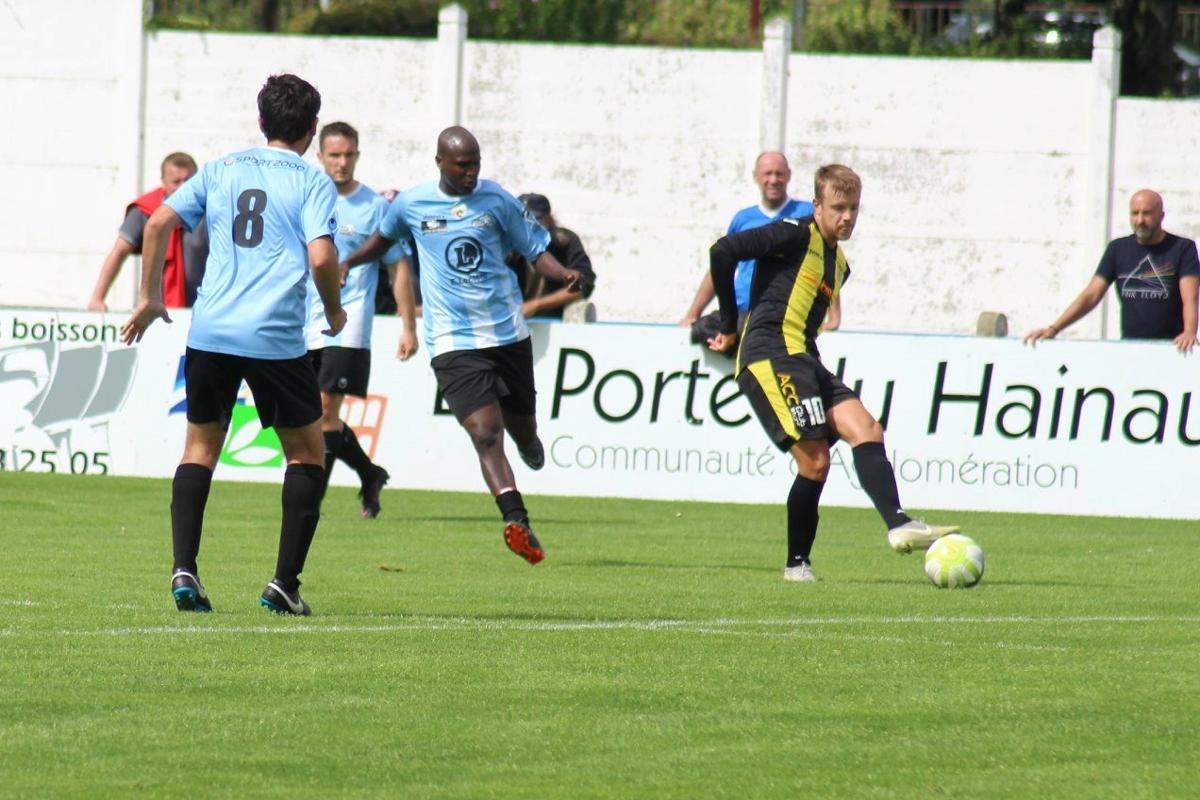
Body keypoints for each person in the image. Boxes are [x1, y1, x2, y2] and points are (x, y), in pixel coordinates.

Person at [120, 74, 345, 616]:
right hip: (273, 337)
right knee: (307, 454)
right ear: (312, 129)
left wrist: (151, 297)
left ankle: (184, 570)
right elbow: (320, 258)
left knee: (199, 450)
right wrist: (335, 310)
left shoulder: (221, 168)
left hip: (212, 331)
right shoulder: (313, 182)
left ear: (261, 121)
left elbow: (157, 225)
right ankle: (284, 585)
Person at [341, 126, 590, 565]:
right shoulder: (412, 204)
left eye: (476, 163)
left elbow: (537, 250)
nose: (472, 172)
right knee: (484, 432)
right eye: (462, 165)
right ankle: (517, 521)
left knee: (524, 434)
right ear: (440, 161)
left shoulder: (497, 200)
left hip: (507, 335)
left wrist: (562, 274)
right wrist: (348, 260)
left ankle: (530, 445)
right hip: (453, 342)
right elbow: (382, 240)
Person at [708, 164, 958, 583]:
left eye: (854, 209)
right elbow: (722, 251)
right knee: (816, 461)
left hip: (805, 357)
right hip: (770, 355)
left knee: (867, 429)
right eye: (838, 208)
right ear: (817, 206)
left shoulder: (838, 264)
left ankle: (899, 523)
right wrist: (729, 324)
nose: (847, 217)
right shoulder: (792, 233)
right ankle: (796, 565)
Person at [307, 121, 418, 518]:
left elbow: (397, 268)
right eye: (334, 155)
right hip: (303, 320)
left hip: (349, 322)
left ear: (357, 155)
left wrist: (408, 326)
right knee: (309, 414)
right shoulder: (305, 195)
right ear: (319, 156)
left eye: (348, 155)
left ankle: (310, 503)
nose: (342, 162)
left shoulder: (374, 206)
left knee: (323, 409)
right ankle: (370, 474)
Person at [1024, 189, 1199, 353]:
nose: (1140, 220)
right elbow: (1091, 295)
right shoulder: (1118, 249)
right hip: (1129, 348)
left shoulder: (1182, 248)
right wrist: (1054, 328)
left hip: (1171, 349)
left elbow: (1190, 297)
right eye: (1134, 213)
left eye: (1146, 213)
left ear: (1161, 216)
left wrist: (1190, 332)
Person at [682, 152, 830, 340]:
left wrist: (832, 315)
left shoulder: (807, 213)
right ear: (755, 176)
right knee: (701, 330)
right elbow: (719, 266)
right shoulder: (743, 219)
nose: (773, 180)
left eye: (779, 174)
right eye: (767, 174)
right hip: (742, 312)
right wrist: (693, 313)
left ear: (789, 175)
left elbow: (826, 261)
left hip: (784, 313)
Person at [88, 152, 209, 311]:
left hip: (203, 309)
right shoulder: (145, 211)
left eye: (188, 180)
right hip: (154, 311)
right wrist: (97, 298)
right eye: (176, 181)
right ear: (163, 182)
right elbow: (118, 253)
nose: (183, 187)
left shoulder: (210, 212)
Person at [507, 193, 597, 319]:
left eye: (534, 220)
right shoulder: (506, 243)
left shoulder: (566, 242)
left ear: (549, 219)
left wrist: (536, 305)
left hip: (556, 324)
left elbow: (583, 286)